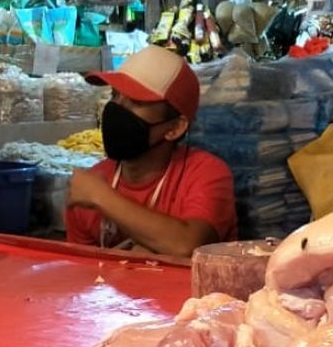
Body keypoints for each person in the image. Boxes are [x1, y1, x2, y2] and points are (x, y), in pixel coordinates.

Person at [64, 47, 237, 257]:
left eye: (136, 102)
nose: (117, 109)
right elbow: (82, 273)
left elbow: (188, 246)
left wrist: (100, 197)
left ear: (175, 128)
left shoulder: (206, 173)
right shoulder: (93, 181)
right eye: (115, 95)